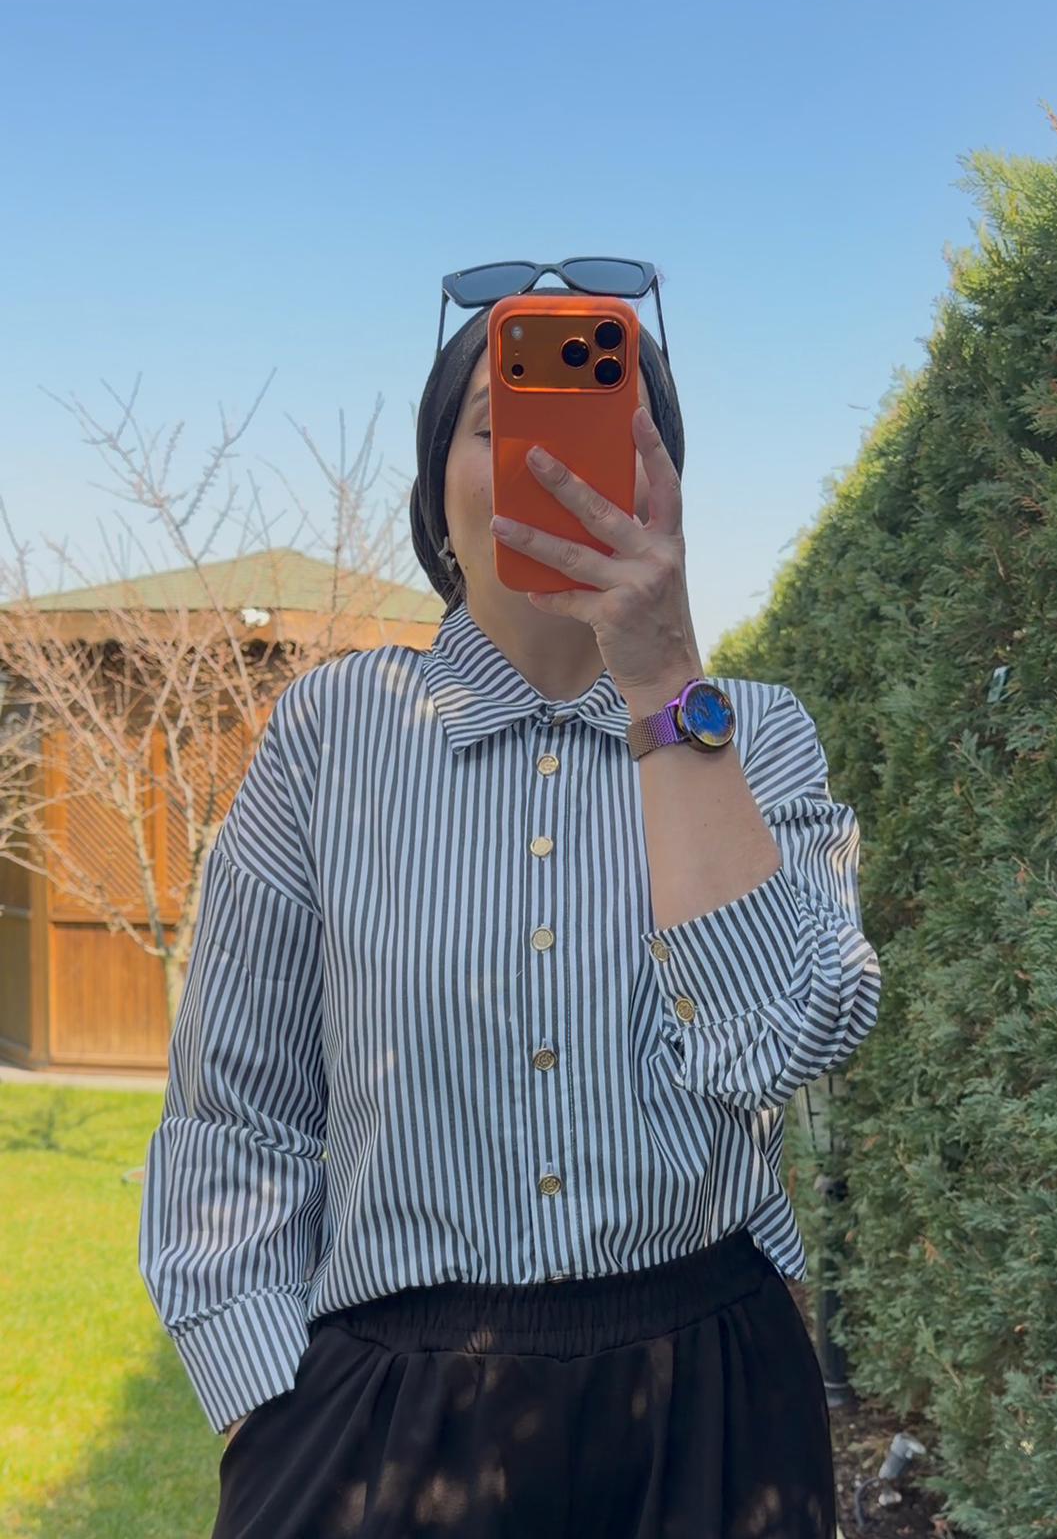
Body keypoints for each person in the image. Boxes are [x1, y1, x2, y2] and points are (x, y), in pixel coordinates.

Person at [138, 274, 882, 1538]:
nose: (546, 457)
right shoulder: (331, 734)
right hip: (382, 1410)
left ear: (662, 479)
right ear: (438, 481)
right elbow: (237, 1109)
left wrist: (664, 681)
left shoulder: (750, 735)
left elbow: (785, 1043)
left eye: (596, 423)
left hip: (711, 1405)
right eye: (497, 422)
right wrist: (267, 1407)